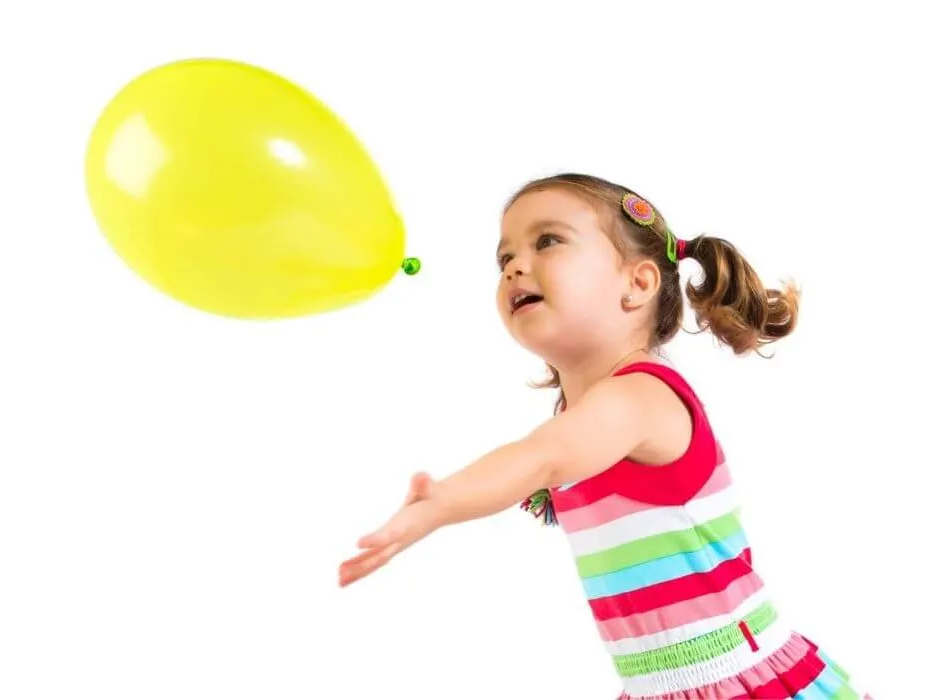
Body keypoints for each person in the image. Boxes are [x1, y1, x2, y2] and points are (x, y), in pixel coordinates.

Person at [338, 173, 870, 699]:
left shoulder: (639, 397)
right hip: (658, 685)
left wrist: (441, 502)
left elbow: (540, 459)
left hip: (736, 681)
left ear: (637, 284)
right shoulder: (582, 414)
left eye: (547, 241)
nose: (515, 266)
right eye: (504, 259)